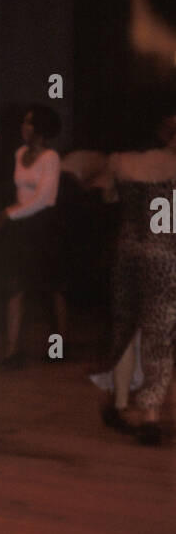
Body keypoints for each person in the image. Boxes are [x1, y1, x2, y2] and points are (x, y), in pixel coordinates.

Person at [95, 103, 176, 445]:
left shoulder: (119, 161)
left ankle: (119, 402)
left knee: (125, 329)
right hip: (165, 257)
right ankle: (150, 415)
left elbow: (105, 195)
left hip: (128, 253)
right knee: (159, 337)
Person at [0, 104, 65, 368]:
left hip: (43, 225)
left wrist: (8, 214)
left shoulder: (51, 158)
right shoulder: (20, 152)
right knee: (15, 285)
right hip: (21, 225)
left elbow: (42, 198)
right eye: (24, 122)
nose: (24, 127)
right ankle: (13, 351)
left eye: (30, 123)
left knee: (49, 289)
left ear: (42, 129)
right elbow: (21, 193)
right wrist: (12, 215)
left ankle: (58, 346)